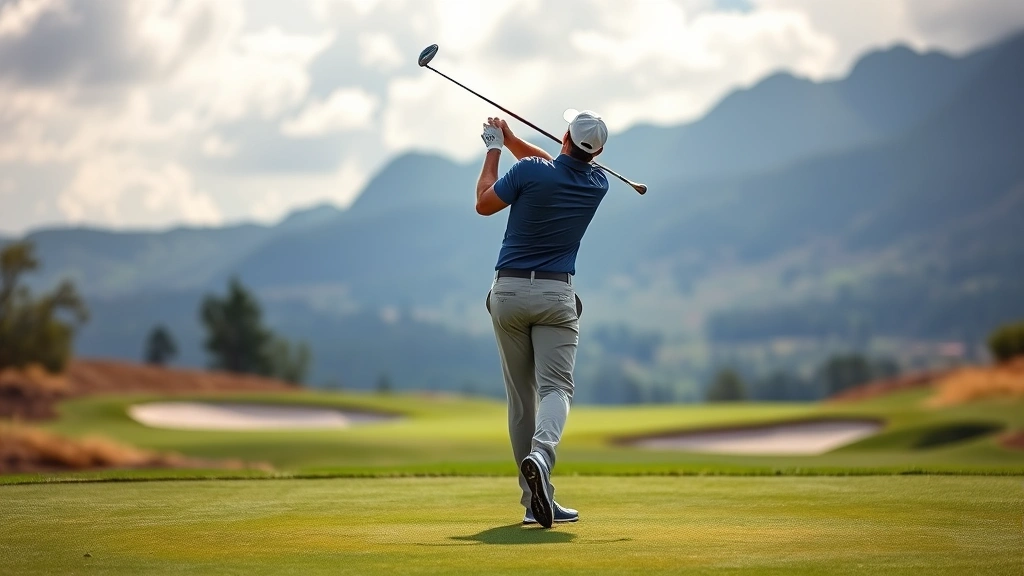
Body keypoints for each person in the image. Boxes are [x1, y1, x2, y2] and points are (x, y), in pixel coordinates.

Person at [474, 110, 610, 528]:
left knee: (521, 399)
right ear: (599, 152)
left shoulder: (531, 172)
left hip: (509, 293)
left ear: (564, 136)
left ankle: (535, 503)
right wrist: (515, 139)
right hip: (556, 295)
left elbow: (483, 203)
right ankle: (542, 457)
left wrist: (495, 149)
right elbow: (552, 166)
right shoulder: (598, 183)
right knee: (556, 390)